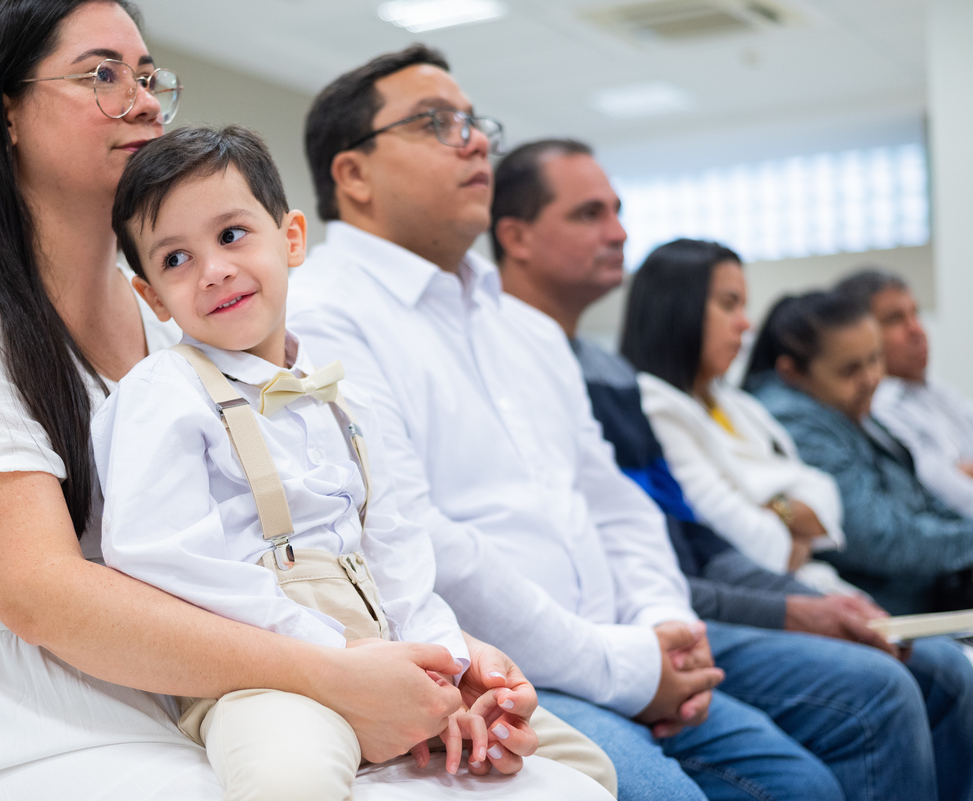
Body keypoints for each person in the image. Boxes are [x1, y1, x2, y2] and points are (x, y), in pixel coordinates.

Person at [0, 4, 588, 799]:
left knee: (555, 779)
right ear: (6, 112)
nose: (142, 102)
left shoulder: (177, 328)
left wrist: (443, 657)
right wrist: (339, 674)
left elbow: (294, 547)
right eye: (102, 74)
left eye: (146, 75)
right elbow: (41, 595)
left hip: (200, 682)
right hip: (23, 717)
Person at [288, 43, 862, 801]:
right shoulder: (322, 315)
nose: (475, 141)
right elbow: (416, 537)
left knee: (824, 757)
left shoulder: (519, 323)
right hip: (502, 670)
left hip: (628, 640)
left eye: (473, 121)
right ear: (352, 174)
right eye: (436, 123)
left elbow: (613, 493)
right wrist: (627, 665)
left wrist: (663, 622)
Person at [97, 123, 614, 800]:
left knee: (583, 763)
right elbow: (167, 567)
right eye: (175, 260)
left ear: (291, 239)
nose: (213, 269)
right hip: (257, 669)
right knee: (293, 777)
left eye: (230, 235)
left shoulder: (349, 396)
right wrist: (338, 658)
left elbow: (396, 553)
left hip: (385, 642)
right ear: (151, 297)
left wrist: (445, 661)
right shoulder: (159, 395)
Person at [489, 137, 973, 801]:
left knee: (914, 676)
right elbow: (749, 530)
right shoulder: (538, 370)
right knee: (876, 698)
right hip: (610, 629)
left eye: (619, 210)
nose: (619, 232)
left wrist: (763, 593)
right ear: (513, 236)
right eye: (589, 214)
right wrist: (782, 590)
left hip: (666, 610)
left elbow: (695, 529)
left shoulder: (612, 375)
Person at [618, 239, 852, 593]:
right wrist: (791, 530)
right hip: (754, 594)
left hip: (808, 582)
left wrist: (775, 511)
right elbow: (747, 541)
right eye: (729, 305)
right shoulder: (653, 406)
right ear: (678, 309)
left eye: (744, 306)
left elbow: (826, 493)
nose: (746, 324)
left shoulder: (736, 404)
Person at [746, 291, 973, 616]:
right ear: (793, 372)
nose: (870, 379)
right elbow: (877, 539)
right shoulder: (794, 422)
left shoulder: (845, 406)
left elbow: (922, 495)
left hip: (929, 592)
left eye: (874, 358)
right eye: (850, 370)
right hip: (887, 608)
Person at [835, 269, 973, 518]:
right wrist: (956, 473)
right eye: (895, 320)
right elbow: (946, 494)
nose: (917, 330)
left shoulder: (938, 392)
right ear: (859, 335)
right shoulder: (874, 408)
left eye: (915, 314)